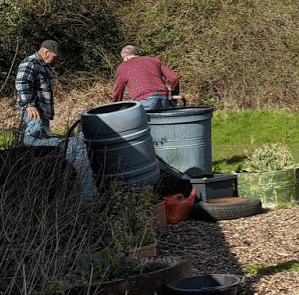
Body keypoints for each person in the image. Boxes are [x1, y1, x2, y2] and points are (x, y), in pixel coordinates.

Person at [15, 40, 95, 199]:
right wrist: (29, 105)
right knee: (33, 139)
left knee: (42, 144)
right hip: (33, 111)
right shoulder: (30, 63)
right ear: (45, 53)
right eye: (54, 57)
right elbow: (22, 83)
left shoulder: (43, 66)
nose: (55, 61)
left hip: (41, 113)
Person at [112, 45, 180, 111]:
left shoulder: (123, 67)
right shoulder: (154, 61)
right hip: (163, 97)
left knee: (146, 122)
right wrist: (174, 95)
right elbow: (173, 79)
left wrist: (115, 106)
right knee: (163, 121)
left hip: (144, 99)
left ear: (125, 57)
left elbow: (118, 90)